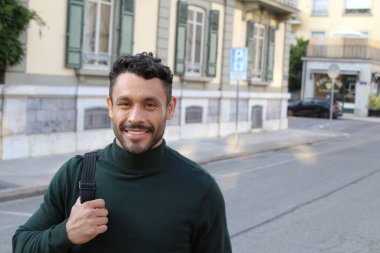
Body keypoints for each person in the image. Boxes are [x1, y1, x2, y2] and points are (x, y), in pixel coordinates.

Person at [12, 52, 232, 253]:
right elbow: (21, 244)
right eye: (125, 104)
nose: (135, 117)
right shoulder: (75, 174)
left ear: (170, 108)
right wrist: (65, 234)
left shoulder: (200, 188)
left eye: (150, 105)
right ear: (110, 107)